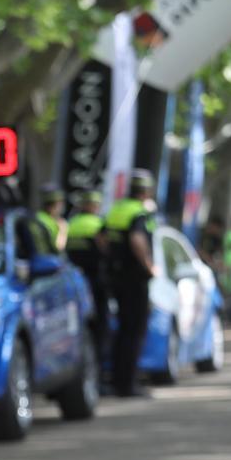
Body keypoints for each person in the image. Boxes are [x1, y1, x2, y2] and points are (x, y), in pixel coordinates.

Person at [106, 169, 159, 398]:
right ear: (146, 191)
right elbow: (137, 239)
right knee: (135, 332)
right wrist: (149, 266)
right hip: (135, 279)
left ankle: (117, 381)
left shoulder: (117, 209)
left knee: (122, 331)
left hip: (116, 277)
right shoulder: (139, 212)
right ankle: (128, 385)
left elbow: (103, 238)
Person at [64, 190, 110, 370]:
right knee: (99, 327)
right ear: (96, 206)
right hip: (96, 283)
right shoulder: (99, 224)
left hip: (74, 283)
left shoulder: (71, 224)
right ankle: (96, 369)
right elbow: (105, 249)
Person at [36, 183, 68, 252]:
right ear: (56, 204)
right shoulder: (56, 223)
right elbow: (59, 247)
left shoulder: (37, 216)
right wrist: (63, 230)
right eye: (61, 203)